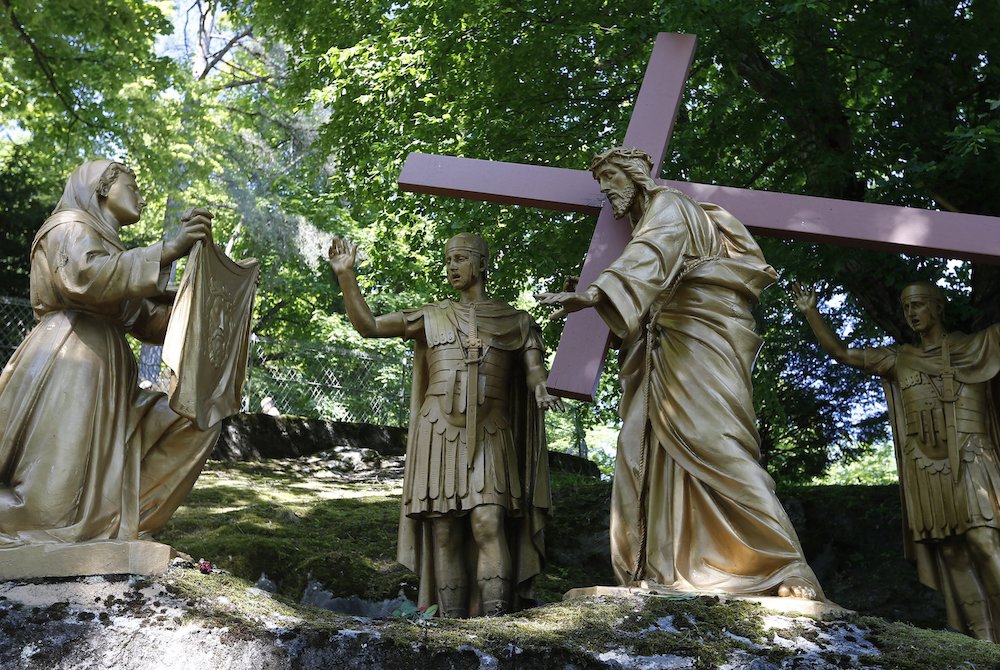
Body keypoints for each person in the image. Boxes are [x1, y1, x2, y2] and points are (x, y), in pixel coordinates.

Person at [536, 146, 823, 599]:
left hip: (701, 336)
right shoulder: (645, 224)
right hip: (663, 344)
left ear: (635, 175)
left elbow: (652, 252)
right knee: (642, 449)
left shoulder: (670, 206)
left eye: (612, 176)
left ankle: (787, 563)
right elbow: (650, 273)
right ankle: (668, 570)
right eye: (601, 181)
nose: (607, 189)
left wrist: (595, 295)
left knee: (713, 442)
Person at [328, 233, 560, 617]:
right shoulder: (430, 315)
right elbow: (368, 326)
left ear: (482, 264)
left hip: (491, 430)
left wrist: (540, 392)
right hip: (437, 431)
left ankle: (497, 623)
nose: (451, 266)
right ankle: (450, 628)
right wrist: (346, 276)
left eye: (460, 258)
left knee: (488, 522)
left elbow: (535, 372)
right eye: (448, 259)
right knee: (444, 531)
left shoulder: (516, 321)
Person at [0, 160, 221, 546]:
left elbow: (145, 319)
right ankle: (73, 530)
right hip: (70, 361)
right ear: (102, 187)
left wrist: (206, 307)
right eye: (131, 183)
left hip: (109, 371)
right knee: (49, 504)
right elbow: (86, 278)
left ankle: (117, 521)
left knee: (196, 418)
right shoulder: (68, 225)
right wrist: (169, 248)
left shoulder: (114, 252)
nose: (139, 194)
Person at [792, 281, 1000, 639]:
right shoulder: (900, 357)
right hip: (925, 467)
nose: (911, 313)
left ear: (938, 307)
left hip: (971, 455)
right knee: (952, 554)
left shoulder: (979, 344)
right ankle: (983, 643)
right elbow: (843, 353)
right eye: (906, 308)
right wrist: (812, 312)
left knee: (984, 541)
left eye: (918, 305)